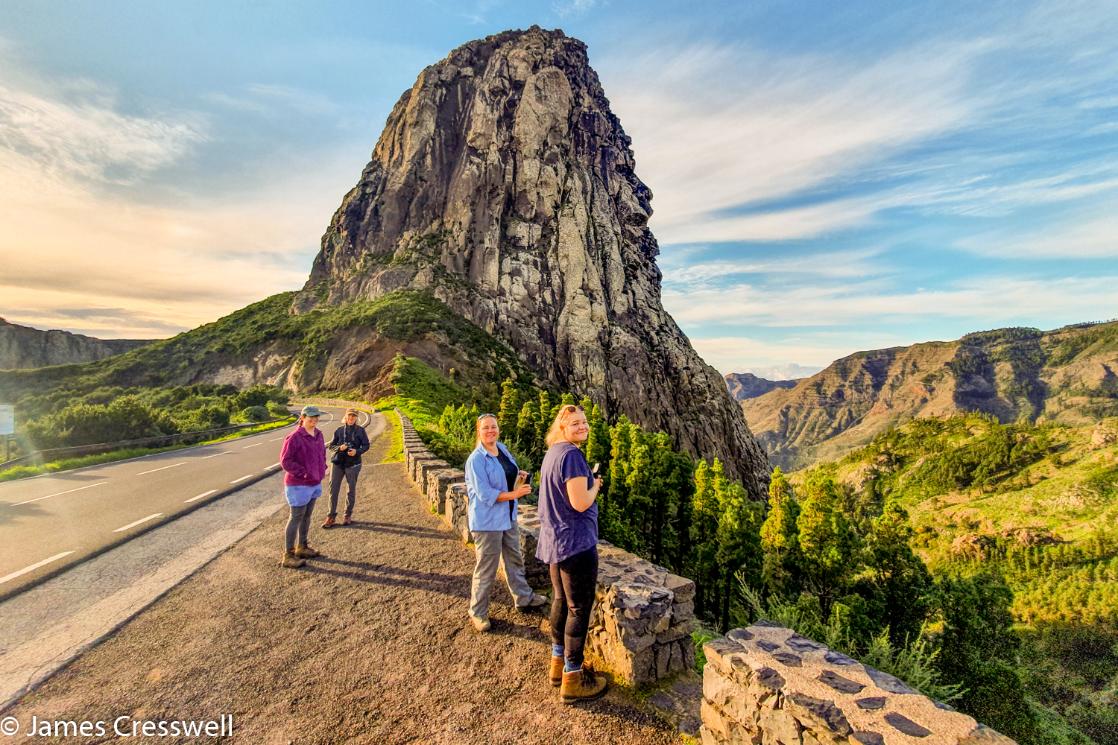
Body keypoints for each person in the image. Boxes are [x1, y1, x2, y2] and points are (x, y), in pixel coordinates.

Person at [536, 403, 608, 704]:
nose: (583, 427)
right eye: (575, 423)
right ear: (562, 427)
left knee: (560, 601)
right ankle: (573, 678)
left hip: (555, 541)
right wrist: (596, 486)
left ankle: (557, 666)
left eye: (584, 422)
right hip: (576, 543)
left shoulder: (553, 453)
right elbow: (580, 502)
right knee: (579, 609)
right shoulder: (573, 457)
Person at [464, 414, 548, 632]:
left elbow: (508, 472)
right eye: (486, 428)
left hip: (508, 517)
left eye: (494, 427)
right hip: (487, 522)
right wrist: (515, 494)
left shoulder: (501, 448)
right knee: (486, 569)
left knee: (514, 559)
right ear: (479, 431)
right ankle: (478, 612)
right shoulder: (476, 460)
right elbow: (484, 494)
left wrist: (518, 476)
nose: (491, 431)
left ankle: (524, 598)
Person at [279, 404, 327, 568]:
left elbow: (321, 454)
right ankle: (288, 555)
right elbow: (286, 461)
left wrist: (323, 469)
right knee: (295, 517)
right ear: (303, 418)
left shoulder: (318, 434)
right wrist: (303, 473)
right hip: (298, 485)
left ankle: (302, 547)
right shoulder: (294, 437)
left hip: (314, 482)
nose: (313, 421)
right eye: (310, 418)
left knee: (307, 516)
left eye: (316, 418)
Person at [323, 408, 370, 527]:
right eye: (349, 416)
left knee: (351, 490)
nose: (351, 418)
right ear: (346, 416)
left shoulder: (360, 431)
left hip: (353, 463)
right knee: (333, 490)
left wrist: (357, 451)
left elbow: (366, 445)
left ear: (356, 418)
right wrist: (339, 448)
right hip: (338, 463)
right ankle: (330, 516)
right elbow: (331, 447)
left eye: (354, 416)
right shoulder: (339, 430)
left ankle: (347, 515)